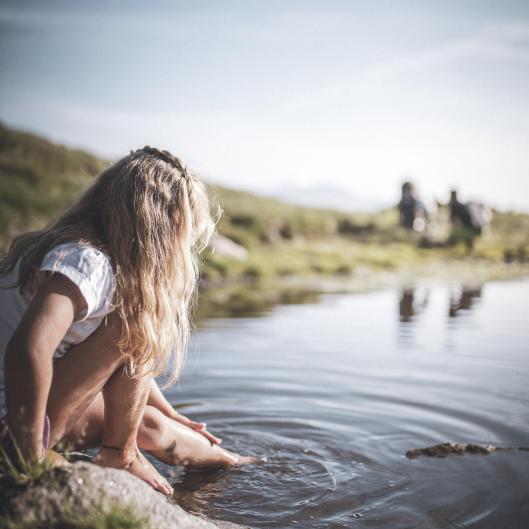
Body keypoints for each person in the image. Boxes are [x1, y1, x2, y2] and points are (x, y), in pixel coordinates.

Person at [0, 147, 255, 495]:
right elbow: (29, 348)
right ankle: (120, 454)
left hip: (23, 405)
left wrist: (168, 411)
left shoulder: (73, 252)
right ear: (161, 231)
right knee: (139, 321)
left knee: (150, 421)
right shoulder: (87, 264)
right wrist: (28, 450)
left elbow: (116, 357)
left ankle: (233, 462)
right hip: (12, 421)